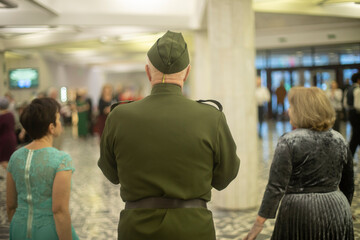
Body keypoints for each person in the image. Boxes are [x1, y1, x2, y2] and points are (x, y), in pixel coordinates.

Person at [98, 30, 240, 240]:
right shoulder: (211, 117)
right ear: (187, 72)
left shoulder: (119, 116)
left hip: (137, 228)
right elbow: (225, 175)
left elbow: (111, 173)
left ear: (148, 72)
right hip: (193, 228)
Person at [244, 87, 354, 240]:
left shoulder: (289, 141)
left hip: (300, 212)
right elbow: (348, 183)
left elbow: (276, 187)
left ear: (301, 110)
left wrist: (258, 223)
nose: (288, 110)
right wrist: (344, 207)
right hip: (337, 208)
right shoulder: (339, 139)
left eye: (291, 106)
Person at [6, 97, 79, 240]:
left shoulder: (15, 157)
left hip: (19, 227)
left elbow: (10, 205)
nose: (60, 123)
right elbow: (59, 211)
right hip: (48, 230)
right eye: (58, 119)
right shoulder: (61, 160)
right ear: (51, 127)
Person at [344, 73, 360, 157]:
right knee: (355, 136)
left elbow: (345, 104)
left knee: (356, 135)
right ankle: (349, 156)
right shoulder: (358, 90)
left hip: (351, 114)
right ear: (358, 79)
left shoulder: (348, 89)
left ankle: (349, 155)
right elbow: (358, 106)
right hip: (357, 115)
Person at [0, 97, 17, 172]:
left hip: (4, 140)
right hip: (12, 138)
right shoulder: (11, 115)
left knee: (3, 160)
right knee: (9, 159)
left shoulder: (1, 116)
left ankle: (12, 174)